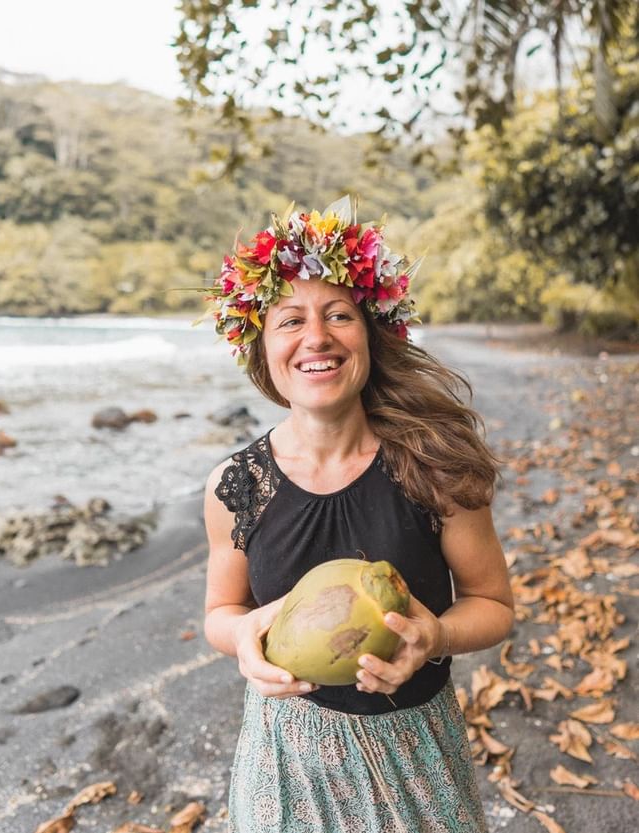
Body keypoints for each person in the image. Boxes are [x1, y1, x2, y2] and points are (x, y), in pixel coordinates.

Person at [201, 195, 514, 832]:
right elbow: (220, 612)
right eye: (289, 320)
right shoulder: (237, 485)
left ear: (371, 334)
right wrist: (241, 638)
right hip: (284, 756)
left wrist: (438, 637)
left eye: (338, 315)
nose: (316, 337)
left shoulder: (435, 466)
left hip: (413, 749)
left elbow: (494, 604)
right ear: (262, 351)